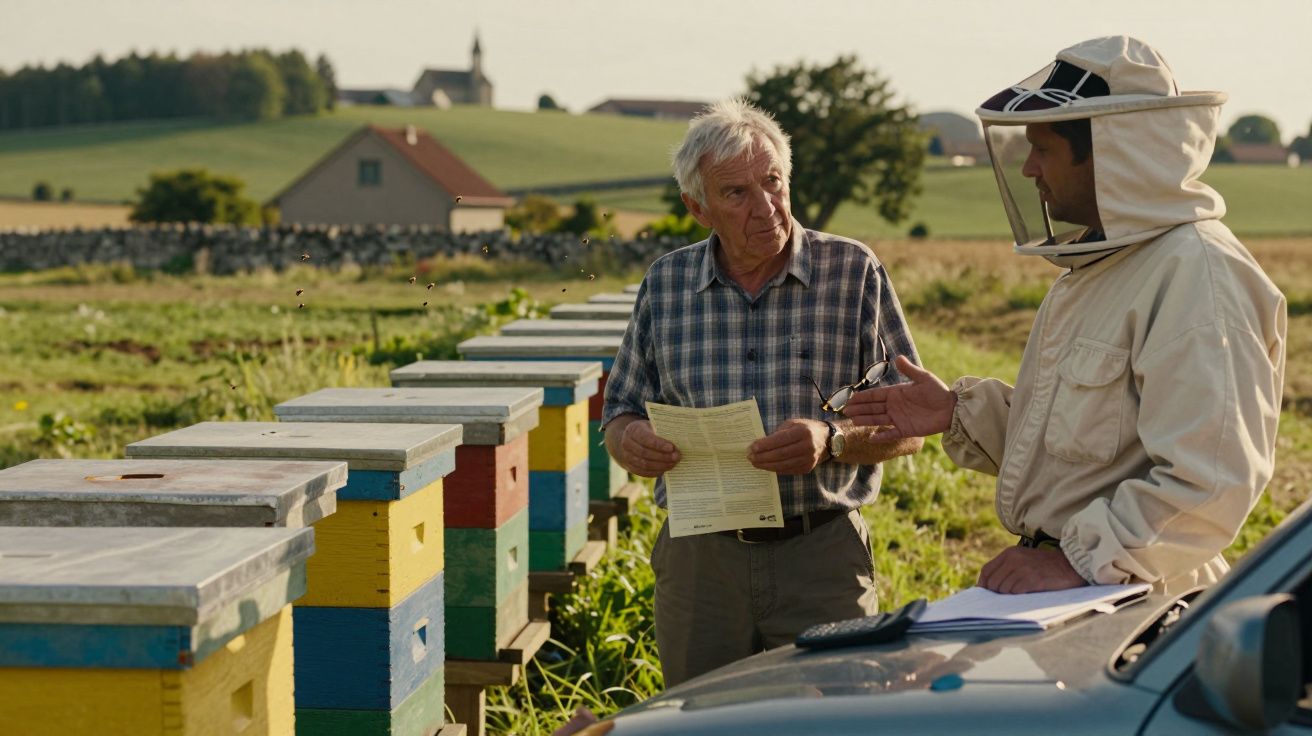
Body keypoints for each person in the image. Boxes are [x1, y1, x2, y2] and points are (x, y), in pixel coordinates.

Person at [844, 36, 1287, 596]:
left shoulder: (1199, 278)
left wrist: (1078, 562)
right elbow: (1084, 449)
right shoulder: (1108, 266)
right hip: (1083, 591)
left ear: (1111, 151)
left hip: (1135, 602)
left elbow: (1212, 483)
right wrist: (956, 412)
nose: (1028, 168)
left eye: (1044, 149)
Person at [601, 98, 923, 686]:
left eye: (772, 182)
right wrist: (632, 442)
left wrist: (833, 442)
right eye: (737, 194)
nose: (765, 205)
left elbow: (914, 423)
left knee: (835, 722)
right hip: (702, 564)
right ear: (697, 209)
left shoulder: (853, 272)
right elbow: (618, 410)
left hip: (820, 555)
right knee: (699, 726)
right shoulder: (666, 284)